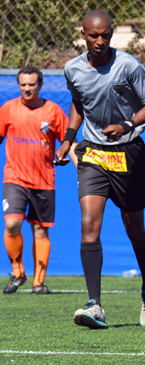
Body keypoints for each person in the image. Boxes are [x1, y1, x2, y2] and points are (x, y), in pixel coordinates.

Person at [55, 10, 145, 329]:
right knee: (89, 222)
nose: (99, 40)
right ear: (83, 35)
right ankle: (94, 305)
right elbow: (78, 102)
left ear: (111, 34)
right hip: (93, 153)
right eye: (93, 35)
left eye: (105, 35)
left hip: (128, 153)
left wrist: (128, 124)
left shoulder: (127, 64)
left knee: (135, 231)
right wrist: (68, 138)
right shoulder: (72, 67)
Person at [0, 66, 75, 295]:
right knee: (12, 223)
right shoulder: (8, 109)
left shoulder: (53, 111)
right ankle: (18, 272)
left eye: (31, 84)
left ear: (40, 85)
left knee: (40, 231)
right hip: (15, 179)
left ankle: (38, 283)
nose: (27, 89)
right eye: (23, 84)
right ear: (18, 85)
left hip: (44, 182)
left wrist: (78, 164)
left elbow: (68, 140)